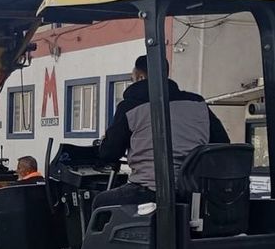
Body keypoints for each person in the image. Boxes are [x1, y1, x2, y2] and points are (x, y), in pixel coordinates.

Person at [94, 55, 230, 208]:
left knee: (100, 202)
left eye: (132, 78)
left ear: (140, 77)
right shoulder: (198, 103)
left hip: (150, 190)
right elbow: (222, 143)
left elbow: (109, 153)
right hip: (194, 191)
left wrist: (105, 143)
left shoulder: (129, 107)